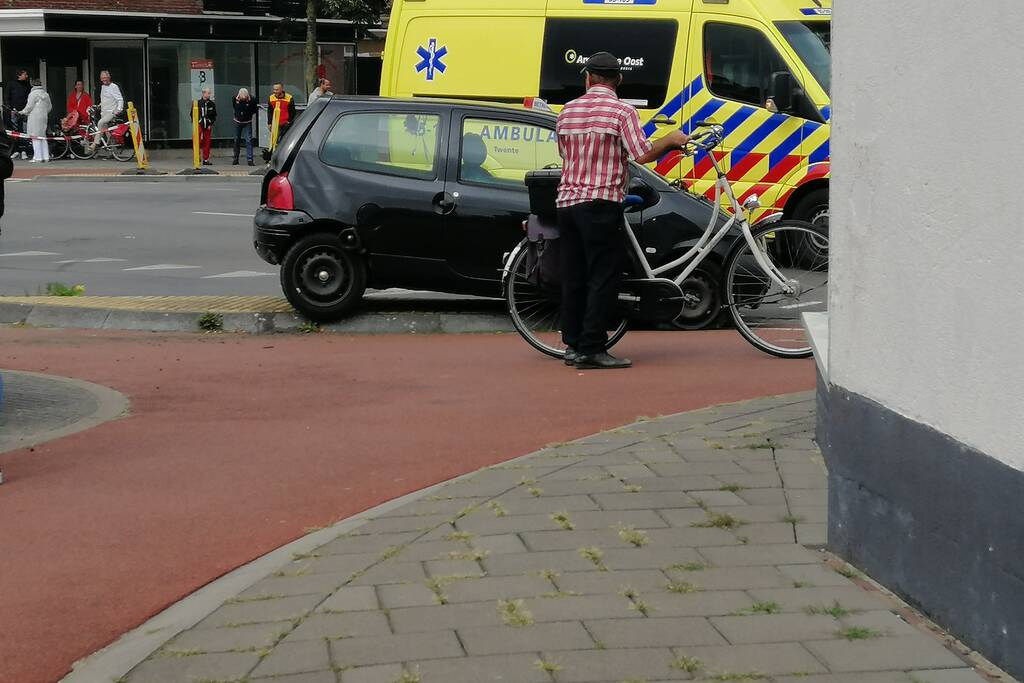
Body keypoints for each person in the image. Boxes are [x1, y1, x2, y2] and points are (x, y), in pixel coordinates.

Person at [556, 52, 689, 369]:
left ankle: (573, 344)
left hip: (566, 203)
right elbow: (641, 154)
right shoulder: (622, 112)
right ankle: (592, 349)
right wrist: (670, 139)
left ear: (587, 78)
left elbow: (564, 154)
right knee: (604, 275)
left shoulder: (567, 112)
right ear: (619, 80)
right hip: (601, 203)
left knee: (575, 275)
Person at [20, 78, 52, 164]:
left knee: (35, 137)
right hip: (44, 117)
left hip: (34, 117)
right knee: (43, 136)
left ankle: (37, 157)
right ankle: (46, 156)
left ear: (32, 84)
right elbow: (50, 107)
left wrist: (23, 112)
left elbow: (29, 106)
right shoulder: (46, 94)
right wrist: (44, 112)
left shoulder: (33, 94)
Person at [91, 70, 123, 150]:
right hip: (104, 113)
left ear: (109, 77)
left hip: (111, 112)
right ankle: (113, 151)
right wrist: (98, 106)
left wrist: (119, 109)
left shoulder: (114, 87)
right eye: (102, 78)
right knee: (108, 133)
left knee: (100, 123)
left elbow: (120, 99)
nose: (104, 79)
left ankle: (95, 143)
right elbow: (105, 99)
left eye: (105, 77)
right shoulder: (103, 87)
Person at [4, 70, 31, 159]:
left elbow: (29, 98)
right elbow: (7, 96)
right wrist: (9, 108)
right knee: (15, 132)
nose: (26, 76)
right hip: (14, 111)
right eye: (25, 74)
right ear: (19, 75)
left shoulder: (27, 85)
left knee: (23, 131)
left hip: (24, 111)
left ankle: (24, 150)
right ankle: (16, 150)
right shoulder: (11, 84)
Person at [190, 87, 217, 166]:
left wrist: (210, 123)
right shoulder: (197, 103)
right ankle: (197, 157)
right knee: (196, 140)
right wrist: (197, 122)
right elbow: (192, 114)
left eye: (209, 93)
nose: (209, 95)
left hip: (208, 125)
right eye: (207, 93)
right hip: (199, 124)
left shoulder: (212, 104)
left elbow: (214, 115)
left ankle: (206, 159)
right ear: (203, 93)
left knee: (207, 142)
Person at [231, 87, 257, 166]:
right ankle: (236, 158)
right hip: (237, 121)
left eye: (245, 98)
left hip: (247, 122)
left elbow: (254, 110)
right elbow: (234, 107)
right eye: (242, 98)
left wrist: (248, 114)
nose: (243, 99)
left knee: (248, 140)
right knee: (236, 140)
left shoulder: (252, 99)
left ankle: (250, 159)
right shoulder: (234, 98)